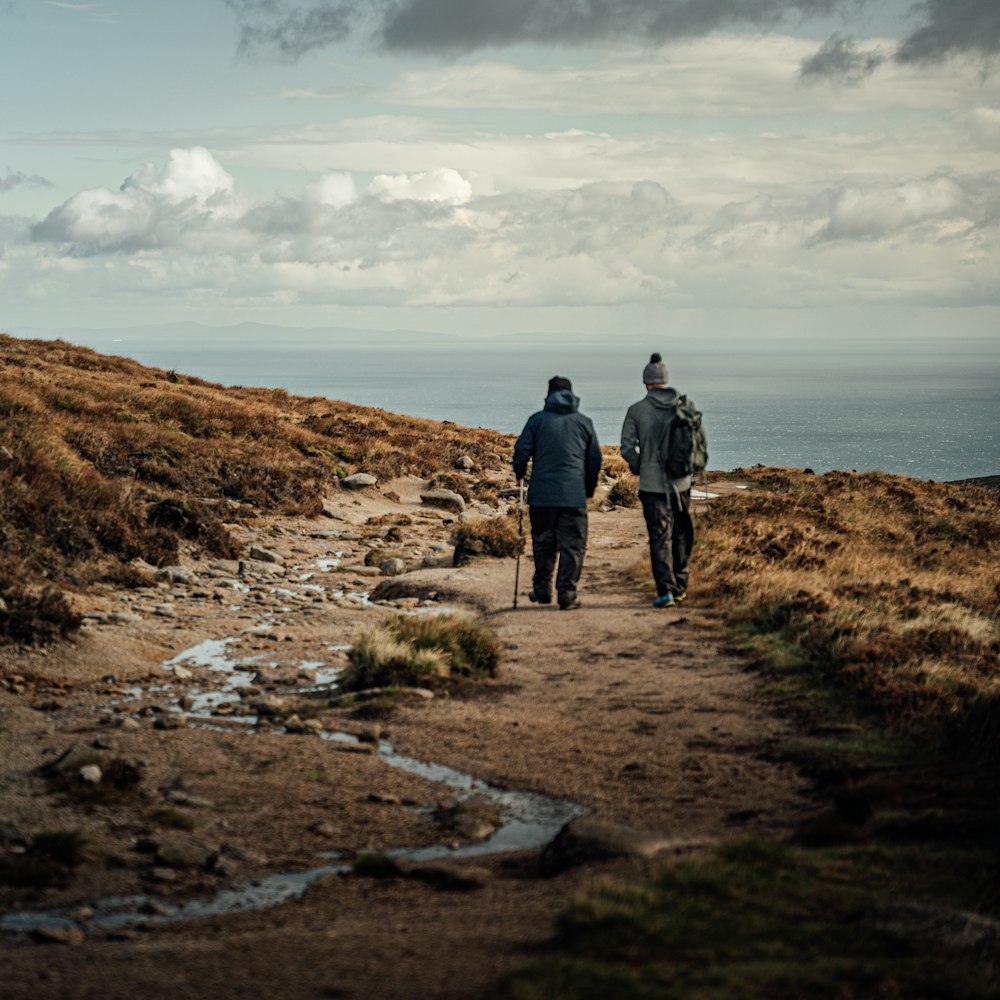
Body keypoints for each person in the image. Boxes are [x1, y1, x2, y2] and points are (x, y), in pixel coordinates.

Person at [512, 376, 602, 611]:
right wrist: (589, 490)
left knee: (543, 542)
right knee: (573, 545)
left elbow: (521, 451)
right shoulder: (584, 422)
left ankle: (542, 590)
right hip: (573, 495)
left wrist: (519, 473)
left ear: (548, 395)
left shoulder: (536, 421)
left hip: (542, 495)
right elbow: (594, 460)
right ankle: (567, 594)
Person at [620, 353, 697, 609]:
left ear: (646, 383)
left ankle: (665, 590)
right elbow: (698, 447)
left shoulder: (636, 411)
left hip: (651, 486)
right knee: (682, 532)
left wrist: (642, 466)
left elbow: (627, 448)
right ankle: (681, 585)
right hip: (682, 483)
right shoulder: (686, 407)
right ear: (665, 381)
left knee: (659, 535)